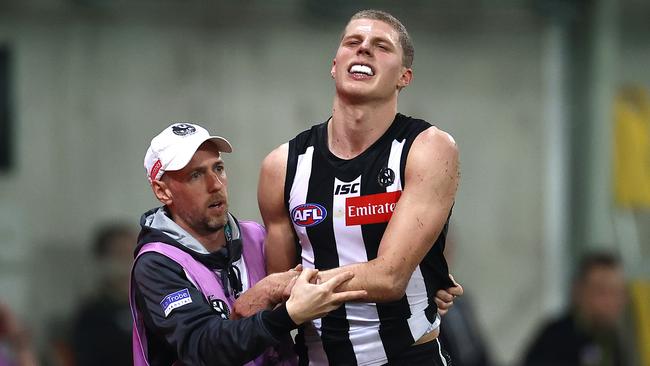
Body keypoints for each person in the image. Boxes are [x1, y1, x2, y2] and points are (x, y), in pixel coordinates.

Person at [257, 9, 463, 365]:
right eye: (353, 42)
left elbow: (389, 278)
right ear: (334, 65)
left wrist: (283, 287)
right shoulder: (282, 165)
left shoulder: (428, 147)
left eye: (381, 46)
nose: (364, 49)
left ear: (404, 76)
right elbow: (282, 292)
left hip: (407, 357)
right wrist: (277, 288)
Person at [130, 122, 367, 366]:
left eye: (218, 168)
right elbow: (202, 347)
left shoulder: (256, 236)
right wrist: (287, 315)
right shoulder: (156, 263)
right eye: (196, 175)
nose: (215, 185)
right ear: (163, 191)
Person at [521, 252, 628, 366]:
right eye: (602, 292)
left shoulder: (612, 339)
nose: (612, 302)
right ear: (579, 292)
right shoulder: (556, 339)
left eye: (617, 293)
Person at [70, 223, 136, 366]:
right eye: (120, 255)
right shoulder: (92, 317)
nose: (129, 263)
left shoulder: (154, 308)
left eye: (134, 253)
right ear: (103, 262)